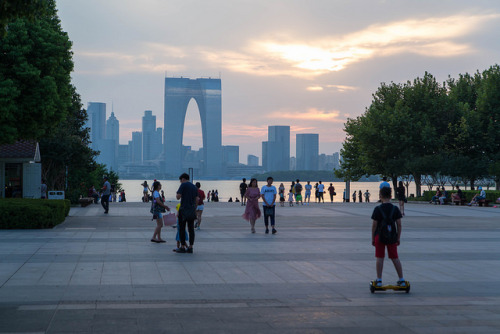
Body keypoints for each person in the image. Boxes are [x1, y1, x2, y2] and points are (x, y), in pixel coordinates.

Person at [371, 186, 405, 288]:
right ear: (391, 196)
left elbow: (374, 225)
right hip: (392, 236)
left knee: (380, 258)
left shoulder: (377, 209)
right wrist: (398, 237)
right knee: (395, 258)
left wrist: (373, 238)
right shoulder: (395, 209)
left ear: (380, 196)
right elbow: (399, 224)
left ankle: (379, 280)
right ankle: (401, 279)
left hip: (379, 236)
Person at [175, 173, 199, 253]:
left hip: (183, 210)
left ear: (183, 179)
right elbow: (197, 199)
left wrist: (178, 194)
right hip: (191, 210)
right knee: (191, 229)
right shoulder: (194, 187)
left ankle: (182, 247)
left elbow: (178, 197)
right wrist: (194, 208)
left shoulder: (183, 185)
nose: (180, 182)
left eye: (180, 180)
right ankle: (191, 247)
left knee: (182, 228)